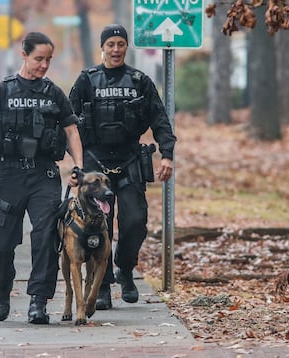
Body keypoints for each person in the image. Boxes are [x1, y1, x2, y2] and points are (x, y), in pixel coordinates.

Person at [0, 32, 83, 324]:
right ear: (24, 55)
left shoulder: (54, 93)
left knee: (45, 236)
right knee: (1, 243)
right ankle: (2, 288)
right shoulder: (1, 91)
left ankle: (38, 301)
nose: (44, 65)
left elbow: (70, 131)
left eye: (48, 60)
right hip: (8, 176)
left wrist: (79, 165)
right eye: (38, 59)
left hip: (44, 175)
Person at [68, 24, 177, 310]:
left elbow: (160, 119)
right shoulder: (86, 80)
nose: (116, 49)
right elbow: (68, 124)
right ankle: (101, 287)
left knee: (134, 221)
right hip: (95, 163)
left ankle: (125, 268)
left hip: (129, 160)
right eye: (110, 44)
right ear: (102, 47)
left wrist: (167, 154)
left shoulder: (140, 80)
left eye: (120, 44)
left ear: (126, 46)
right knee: (97, 226)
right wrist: (74, 164)